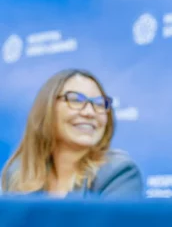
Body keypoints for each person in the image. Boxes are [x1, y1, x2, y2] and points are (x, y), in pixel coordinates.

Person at [1, 69, 143, 199]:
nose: (89, 112)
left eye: (99, 104)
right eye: (76, 100)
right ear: (47, 108)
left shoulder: (118, 173)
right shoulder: (17, 174)